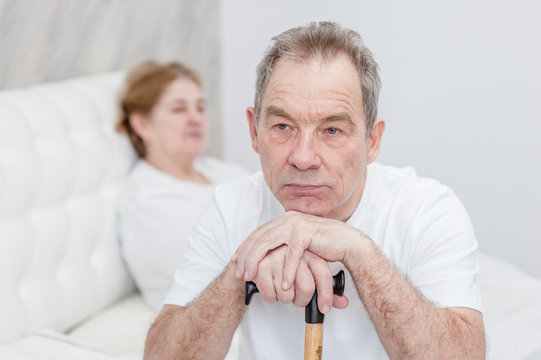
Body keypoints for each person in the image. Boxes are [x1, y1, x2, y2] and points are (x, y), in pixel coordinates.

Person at [144, 22, 486, 359]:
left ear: (372, 141)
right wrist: (241, 275)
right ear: (254, 130)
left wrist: (358, 252)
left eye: (332, 130)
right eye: (282, 126)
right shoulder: (229, 207)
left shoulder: (428, 210)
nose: (303, 158)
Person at [116, 60, 249, 310]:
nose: (195, 118)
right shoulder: (147, 199)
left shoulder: (217, 169)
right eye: (179, 109)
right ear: (142, 124)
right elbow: (220, 269)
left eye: (200, 108)